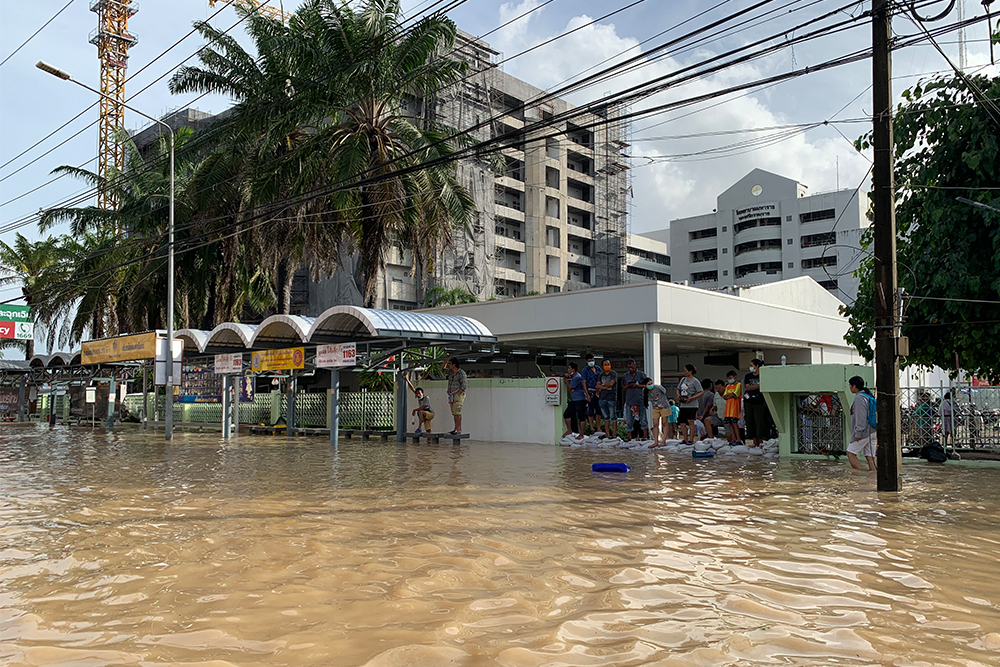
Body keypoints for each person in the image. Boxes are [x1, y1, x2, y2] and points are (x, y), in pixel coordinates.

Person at [848, 375, 877, 472]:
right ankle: (873, 477)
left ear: (854, 386)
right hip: (873, 430)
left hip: (865, 431)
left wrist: (858, 433)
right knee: (870, 457)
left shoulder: (859, 398)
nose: (850, 388)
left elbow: (861, 417)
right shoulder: (868, 396)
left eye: (850, 386)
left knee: (851, 453)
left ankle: (858, 477)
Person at [744, 358, 772, 447]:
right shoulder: (748, 376)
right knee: (750, 421)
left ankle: (761, 441)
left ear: (757, 366)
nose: (751, 367)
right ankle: (754, 441)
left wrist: (755, 387)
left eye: (752, 366)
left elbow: (764, 386)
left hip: (759, 402)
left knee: (759, 422)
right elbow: (747, 387)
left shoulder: (763, 376)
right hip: (749, 401)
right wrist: (758, 386)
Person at [621, 358, 649, 441]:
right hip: (630, 401)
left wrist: (637, 385)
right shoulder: (626, 376)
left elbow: (646, 385)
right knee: (629, 420)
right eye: (629, 367)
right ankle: (629, 436)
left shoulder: (641, 374)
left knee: (643, 419)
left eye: (632, 367)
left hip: (640, 400)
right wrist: (628, 385)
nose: (630, 369)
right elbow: (623, 388)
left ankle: (645, 435)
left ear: (635, 365)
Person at [676, 364, 703, 444]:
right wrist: (678, 395)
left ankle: (691, 439)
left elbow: (701, 392)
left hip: (692, 404)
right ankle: (685, 439)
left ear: (690, 371)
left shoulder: (695, 381)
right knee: (682, 422)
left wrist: (692, 398)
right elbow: (678, 389)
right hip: (683, 404)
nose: (684, 372)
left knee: (690, 421)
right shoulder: (683, 380)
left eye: (685, 370)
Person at [562, 362, 588, 438]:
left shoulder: (577, 377)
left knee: (581, 417)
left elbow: (570, 388)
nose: (568, 370)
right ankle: (569, 430)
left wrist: (566, 382)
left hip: (580, 399)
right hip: (574, 400)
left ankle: (581, 434)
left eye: (569, 368)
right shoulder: (573, 376)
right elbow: (569, 376)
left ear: (573, 369)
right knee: (566, 414)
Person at [444, 354, 467, 435]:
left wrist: (459, 392)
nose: (449, 365)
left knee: (457, 412)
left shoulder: (461, 373)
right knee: (454, 412)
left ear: (454, 365)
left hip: (457, 394)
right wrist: (447, 359)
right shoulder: (450, 372)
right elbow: (442, 369)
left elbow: (464, 385)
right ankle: (456, 428)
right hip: (451, 395)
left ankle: (458, 429)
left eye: (450, 364)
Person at [646, 376, 671, 446]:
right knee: (655, 424)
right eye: (648, 384)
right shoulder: (645, 391)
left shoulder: (658, 387)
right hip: (655, 408)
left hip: (664, 407)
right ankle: (656, 441)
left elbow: (664, 391)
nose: (651, 385)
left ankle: (664, 441)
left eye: (651, 383)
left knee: (664, 423)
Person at [581, 353, 602, 434]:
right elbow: (584, 383)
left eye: (592, 360)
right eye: (590, 361)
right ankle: (592, 428)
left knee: (598, 410)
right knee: (590, 410)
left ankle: (598, 427)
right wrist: (587, 394)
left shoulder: (598, 369)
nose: (591, 362)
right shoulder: (585, 370)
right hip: (590, 391)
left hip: (598, 391)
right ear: (586, 361)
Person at [596, 359, 618, 438]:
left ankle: (614, 434)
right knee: (605, 417)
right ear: (602, 366)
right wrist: (605, 386)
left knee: (613, 416)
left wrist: (602, 386)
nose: (607, 366)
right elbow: (597, 386)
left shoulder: (613, 374)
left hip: (611, 398)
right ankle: (607, 433)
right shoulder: (601, 375)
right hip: (602, 398)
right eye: (605, 364)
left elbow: (611, 384)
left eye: (608, 364)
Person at [721, 370, 743, 444]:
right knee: (730, 423)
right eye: (728, 378)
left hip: (735, 407)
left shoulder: (738, 385)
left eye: (731, 377)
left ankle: (738, 439)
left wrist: (730, 395)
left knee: (735, 423)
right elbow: (724, 396)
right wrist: (729, 395)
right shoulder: (728, 386)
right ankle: (733, 438)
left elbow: (735, 394)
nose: (729, 379)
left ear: (735, 377)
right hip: (728, 409)